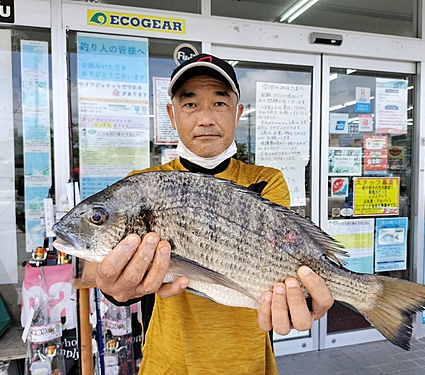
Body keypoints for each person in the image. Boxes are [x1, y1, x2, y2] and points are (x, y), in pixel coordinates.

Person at [96, 53, 334, 374]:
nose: (205, 118)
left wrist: (305, 299)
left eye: (219, 103)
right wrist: (116, 291)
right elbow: (125, 276)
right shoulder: (143, 186)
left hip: (246, 361)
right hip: (168, 361)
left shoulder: (265, 180)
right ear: (172, 113)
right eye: (190, 104)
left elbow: (283, 262)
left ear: (238, 114)